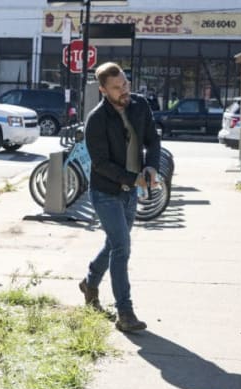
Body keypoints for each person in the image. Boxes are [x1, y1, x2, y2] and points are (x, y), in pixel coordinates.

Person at [79, 62, 161, 332]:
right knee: (122, 248)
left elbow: (152, 140)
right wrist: (132, 178)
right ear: (103, 90)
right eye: (117, 88)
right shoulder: (97, 119)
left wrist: (151, 166)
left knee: (115, 244)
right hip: (105, 192)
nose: (124, 90)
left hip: (130, 192)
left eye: (125, 83)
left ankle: (90, 283)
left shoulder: (139, 105)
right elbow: (101, 163)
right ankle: (124, 313)